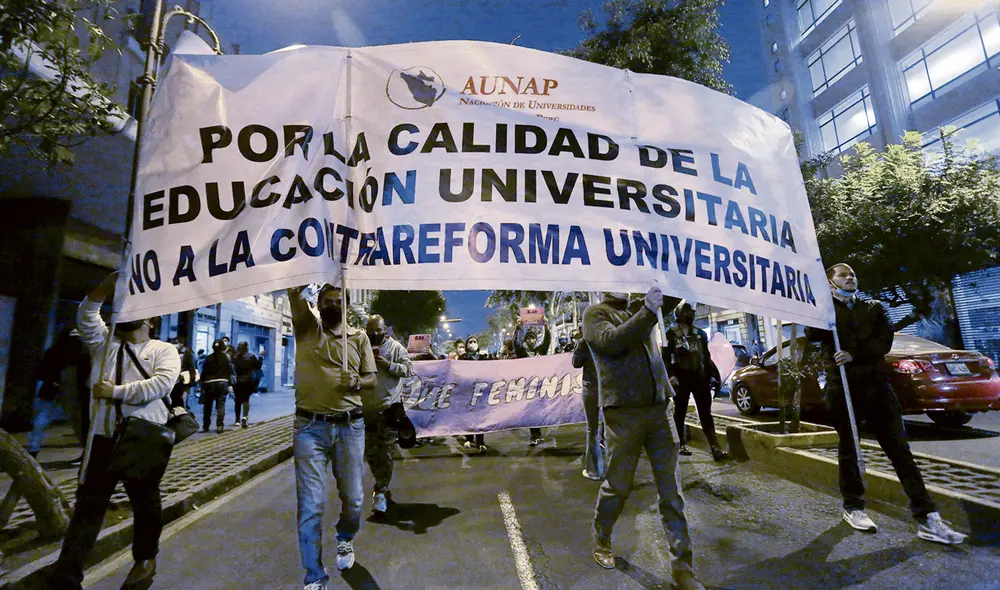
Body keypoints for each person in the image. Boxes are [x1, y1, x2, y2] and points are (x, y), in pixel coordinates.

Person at [807, 264, 965, 545]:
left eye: (852, 274)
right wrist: (818, 307)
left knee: (899, 450)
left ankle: (927, 517)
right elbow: (811, 335)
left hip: (878, 387)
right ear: (831, 283)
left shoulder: (875, 307)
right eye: (843, 275)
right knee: (849, 448)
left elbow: (884, 342)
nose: (850, 277)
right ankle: (854, 506)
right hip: (843, 388)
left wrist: (853, 353)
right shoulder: (826, 312)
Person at [48, 272, 180, 589]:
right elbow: (86, 315)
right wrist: (109, 283)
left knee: (145, 503)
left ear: (152, 318)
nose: (126, 311)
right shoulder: (103, 344)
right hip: (104, 439)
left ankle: (145, 560)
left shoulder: (164, 350)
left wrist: (115, 392)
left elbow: (161, 383)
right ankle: (67, 574)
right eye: (123, 306)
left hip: (143, 438)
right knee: (89, 506)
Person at [584, 288, 704, 590]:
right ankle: (602, 538)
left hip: (660, 410)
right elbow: (613, 342)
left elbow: (676, 289)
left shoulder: (643, 305)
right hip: (623, 415)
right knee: (618, 486)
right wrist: (649, 311)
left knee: (672, 492)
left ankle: (683, 568)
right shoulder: (596, 315)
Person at [288, 282, 377, 586]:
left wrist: (355, 381)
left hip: (350, 427)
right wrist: (298, 275)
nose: (331, 306)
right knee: (311, 506)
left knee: (353, 499)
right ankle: (314, 576)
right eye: (326, 301)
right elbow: (295, 297)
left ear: (346, 305)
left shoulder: (360, 338)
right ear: (319, 303)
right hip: (309, 429)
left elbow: (371, 379)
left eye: (337, 301)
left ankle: (345, 536)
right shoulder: (307, 328)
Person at [664, 302, 728, 462]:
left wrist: (712, 375)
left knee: (706, 414)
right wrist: (671, 376)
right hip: (681, 380)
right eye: (687, 311)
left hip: (700, 379)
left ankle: (715, 447)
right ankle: (680, 444)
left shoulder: (700, 334)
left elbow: (706, 357)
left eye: (691, 311)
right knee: (680, 413)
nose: (690, 314)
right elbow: (665, 358)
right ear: (679, 314)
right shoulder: (670, 334)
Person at [363, 315, 413, 513]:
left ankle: (380, 490)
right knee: (372, 453)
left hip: (389, 409)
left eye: (378, 330)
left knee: (386, 452)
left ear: (385, 330)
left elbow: (408, 370)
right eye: (371, 330)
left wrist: (387, 365)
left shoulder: (396, 348)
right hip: (367, 410)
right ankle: (381, 484)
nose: (374, 334)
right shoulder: (360, 346)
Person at [571, 337, 604, 480]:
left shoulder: (586, 340)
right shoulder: (611, 334)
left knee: (593, 429)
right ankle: (617, 472)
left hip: (591, 385)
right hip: (610, 384)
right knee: (612, 427)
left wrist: (580, 346)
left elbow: (576, 363)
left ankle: (595, 470)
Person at [514, 322, 551, 446]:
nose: (531, 340)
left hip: (541, 385)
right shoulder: (522, 352)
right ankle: (534, 435)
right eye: (528, 338)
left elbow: (547, 340)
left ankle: (538, 434)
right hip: (528, 386)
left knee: (540, 411)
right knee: (531, 411)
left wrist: (546, 326)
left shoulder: (541, 350)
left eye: (533, 338)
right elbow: (517, 343)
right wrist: (518, 329)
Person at [459, 336, 490, 451]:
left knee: (480, 417)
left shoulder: (483, 358)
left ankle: (480, 442)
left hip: (481, 391)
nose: (472, 343)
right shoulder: (462, 358)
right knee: (469, 416)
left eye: (474, 342)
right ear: (467, 345)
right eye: (470, 342)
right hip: (468, 390)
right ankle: (468, 438)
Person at [199, 339, 233, 434]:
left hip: (209, 383)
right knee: (220, 404)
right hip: (222, 382)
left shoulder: (208, 358)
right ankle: (219, 426)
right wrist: (230, 384)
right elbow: (229, 371)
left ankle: (206, 426)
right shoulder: (226, 357)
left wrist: (201, 384)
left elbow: (204, 372)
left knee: (208, 405)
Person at [232, 342, 262, 428]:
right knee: (246, 400)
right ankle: (245, 416)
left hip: (238, 380)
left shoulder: (235, 357)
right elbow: (258, 366)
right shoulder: (251, 356)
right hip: (248, 380)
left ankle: (237, 420)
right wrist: (260, 357)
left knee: (237, 401)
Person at [169, 341, 197, 411]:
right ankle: (183, 407)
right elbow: (191, 366)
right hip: (184, 376)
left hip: (176, 376)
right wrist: (192, 377)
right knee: (184, 391)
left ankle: (180, 407)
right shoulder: (187, 353)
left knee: (179, 393)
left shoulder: (172, 353)